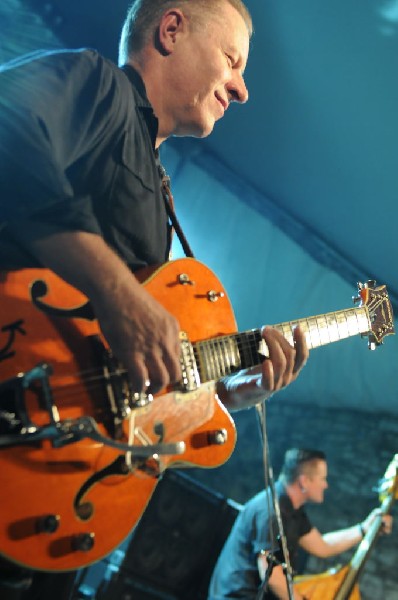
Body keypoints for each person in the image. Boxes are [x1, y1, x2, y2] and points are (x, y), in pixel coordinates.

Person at [0, 1, 309, 598]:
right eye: (232, 61)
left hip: (65, 482)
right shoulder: (98, 85)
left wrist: (222, 394)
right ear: (171, 29)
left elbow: (117, 364)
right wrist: (118, 293)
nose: (243, 90)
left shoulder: (153, 172)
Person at [208, 448, 393, 599]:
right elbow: (271, 573)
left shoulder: (292, 510)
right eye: (322, 479)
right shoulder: (271, 511)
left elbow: (323, 546)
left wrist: (364, 528)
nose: (326, 485)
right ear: (304, 481)